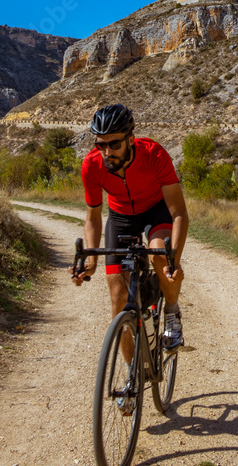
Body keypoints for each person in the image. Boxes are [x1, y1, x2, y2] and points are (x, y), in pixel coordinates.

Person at [70, 104, 188, 361]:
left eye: (114, 144)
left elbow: (178, 212)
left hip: (156, 210)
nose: (106, 152)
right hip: (120, 216)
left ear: (131, 140)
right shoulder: (92, 165)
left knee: (160, 259)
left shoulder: (154, 154)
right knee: (117, 296)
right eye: (100, 144)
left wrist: (173, 258)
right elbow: (92, 217)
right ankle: (131, 378)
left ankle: (171, 311)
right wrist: (91, 261)